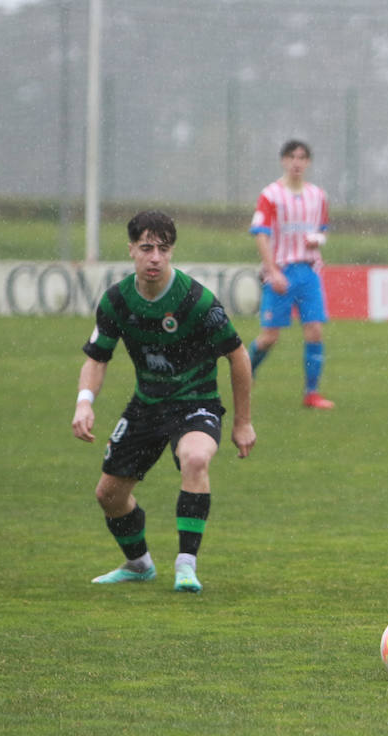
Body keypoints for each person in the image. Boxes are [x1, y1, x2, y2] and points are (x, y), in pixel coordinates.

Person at [71, 210, 256, 593]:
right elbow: (97, 357)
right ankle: (138, 564)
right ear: (131, 250)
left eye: (163, 248)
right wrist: (84, 402)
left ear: (172, 251)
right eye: (146, 248)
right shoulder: (117, 302)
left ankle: (186, 565)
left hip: (196, 401)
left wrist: (242, 421)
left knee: (196, 457)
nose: (155, 257)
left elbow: (238, 356)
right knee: (109, 495)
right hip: (146, 405)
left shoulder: (196, 301)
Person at [248, 139, 335, 409]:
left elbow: (322, 229)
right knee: (269, 337)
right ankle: (245, 374)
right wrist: (272, 270)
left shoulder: (317, 195)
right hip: (282, 271)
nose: (297, 162)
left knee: (314, 331)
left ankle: (312, 394)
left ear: (308, 162)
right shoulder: (271, 194)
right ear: (283, 161)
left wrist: (317, 240)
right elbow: (260, 234)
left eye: (302, 157)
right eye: (292, 157)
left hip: (308, 271)